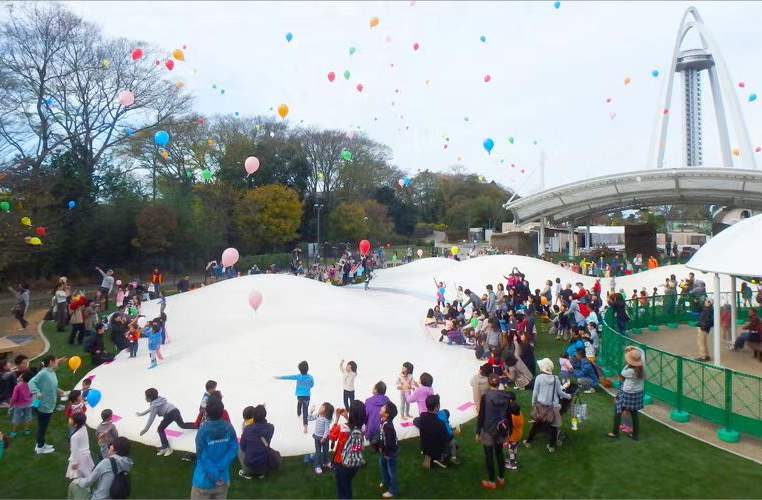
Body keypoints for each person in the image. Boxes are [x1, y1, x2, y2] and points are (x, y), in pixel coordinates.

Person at [191, 398, 238, 500]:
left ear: (207, 413)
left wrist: (214, 475)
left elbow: (202, 456)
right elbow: (233, 450)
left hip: (203, 481)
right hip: (222, 480)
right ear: (222, 412)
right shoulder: (229, 428)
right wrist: (219, 474)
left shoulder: (203, 431)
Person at [524, 358, 571, 453]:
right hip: (553, 407)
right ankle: (551, 446)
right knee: (554, 427)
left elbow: (535, 392)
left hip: (541, 406)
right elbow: (560, 393)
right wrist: (568, 396)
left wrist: (533, 403)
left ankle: (528, 442)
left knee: (536, 425)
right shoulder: (556, 379)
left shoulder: (539, 378)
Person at [135, 388, 195, 456]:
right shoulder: (158, 400)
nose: (145, 398)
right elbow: (151, 408)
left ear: (150, 398)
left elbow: (151, 419)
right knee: (182, 425)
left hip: (170, 414)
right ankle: (198, 425)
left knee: (160, 429)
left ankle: (166, 448)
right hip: (175, 410)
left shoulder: (154, 406)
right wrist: (141, 414)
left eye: (146, 397)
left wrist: (145, 429)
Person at [476, 374, 511, 489]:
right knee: (499, 453)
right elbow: (508, 414)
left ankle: (492, 482)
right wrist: (509, 431)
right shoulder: (505, 396)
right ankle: (501, 478)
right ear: (499, 383)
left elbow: (481, 415)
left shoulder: (485, 397)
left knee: (489, 456)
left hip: (488, 430)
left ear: (489, 383)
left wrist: (478, 431)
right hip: (501, 428)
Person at [330, 400, 367, 499]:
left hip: (341, 462)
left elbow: (332, 436)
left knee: (342, 489)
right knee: (348, 484)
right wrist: (347, 417)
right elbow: (355, 426)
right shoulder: (362, 429)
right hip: (355, 462)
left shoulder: (341, 428)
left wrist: (337, 419)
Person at [29, 354, 66, 454]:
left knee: (43, 426)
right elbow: (31, 383)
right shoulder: (44, 373)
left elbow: (52, 385)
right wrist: (37, 392)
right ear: (51, 362)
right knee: (42, 427)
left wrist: (59, 390)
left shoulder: (51, 372)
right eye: (56, 361)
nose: (57, 362)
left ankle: (40, 444)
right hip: (44, 405)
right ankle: (40, 448)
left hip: (50, 404)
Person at [608, 347, 645, 441]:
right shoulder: (643, 367)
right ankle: (635, 435)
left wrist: (629, 360)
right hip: (638, 393)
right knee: (634, 413)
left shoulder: (629, 371)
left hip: (627, 393)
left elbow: (622, 372)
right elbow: (642, 351)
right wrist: (633, 348)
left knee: (618, 410)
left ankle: (615, 433)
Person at [274, 360, 314, 433]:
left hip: (299, 396)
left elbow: (289, 377)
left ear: (300, 370)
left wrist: (280, 377)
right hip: (307, 396)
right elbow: (312, 385)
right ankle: (305, 425)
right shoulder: (310, 377)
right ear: (307, 369)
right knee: (305, 410)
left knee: (299, 403)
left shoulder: (298, 376)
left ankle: (298, 413)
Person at [239, 404, 277, 479]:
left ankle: (246, 472)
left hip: (249, 467)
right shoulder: (271, 427)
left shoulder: (247, 429)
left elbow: (242, 447)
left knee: (239, 448)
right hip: (264, 468)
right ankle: (260, 473)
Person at [414, 394, 450, 468]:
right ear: (437, 407)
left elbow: (415, 421)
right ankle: (440, 458)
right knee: (453, 443)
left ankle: (429, 457)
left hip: (424, 446)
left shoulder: (423, 416)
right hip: (436, 449)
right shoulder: (440, 423)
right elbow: (446, 438)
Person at [378, 402, 399, 499]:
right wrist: (381, 446)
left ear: (386, 414)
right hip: (385, 450)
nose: (382, 407)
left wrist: (387, 453)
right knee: (382, 464)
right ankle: (386, 480)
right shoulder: (383, 421)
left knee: (392, 470)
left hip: (390, 452)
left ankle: (393, 490)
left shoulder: (388, 427)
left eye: (384, 407)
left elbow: (389, 442)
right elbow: (383, 437)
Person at [66, 413, 95, 481]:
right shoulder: (84, 428)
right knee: (85, 474)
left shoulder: (74, 437)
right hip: (86, 456)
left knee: (78, 477)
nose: (69, 419)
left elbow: (74, 451)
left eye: (71, 419)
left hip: (79, 458)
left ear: (76, 424)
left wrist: (75, 463)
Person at [308, 402, 334, 475]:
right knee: (318, 452)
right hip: (317, 437)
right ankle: (317, 466)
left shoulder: (326, 420)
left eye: (322, 407)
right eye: (321, 406)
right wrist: (311, 411)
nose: (320, 407)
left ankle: (326, 462)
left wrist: (324, 438)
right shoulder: (317, 415)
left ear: (326, 411)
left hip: (325, 438)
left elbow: (327, 430)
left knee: (326, 451)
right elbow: (309, 418)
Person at [9, 370, 34, 437]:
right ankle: (27, 431)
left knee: (16, 418)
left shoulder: (17, 387)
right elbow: (31, 394)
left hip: (18, 405)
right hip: (28, 404)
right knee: (27, 417)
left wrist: (10, 404)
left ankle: (14, 432)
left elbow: (14, 398)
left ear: (22, 378)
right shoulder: (31, 386)